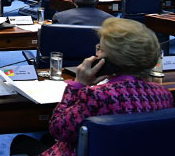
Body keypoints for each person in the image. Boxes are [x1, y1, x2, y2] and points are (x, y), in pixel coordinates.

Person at [10, 18, 173, 156]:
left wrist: (78, 83)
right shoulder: (164, 94)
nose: (95, 55)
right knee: (45, 139)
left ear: (112, 60)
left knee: (21, 142)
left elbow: (58, 129)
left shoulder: (98, 96)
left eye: (100, 49)